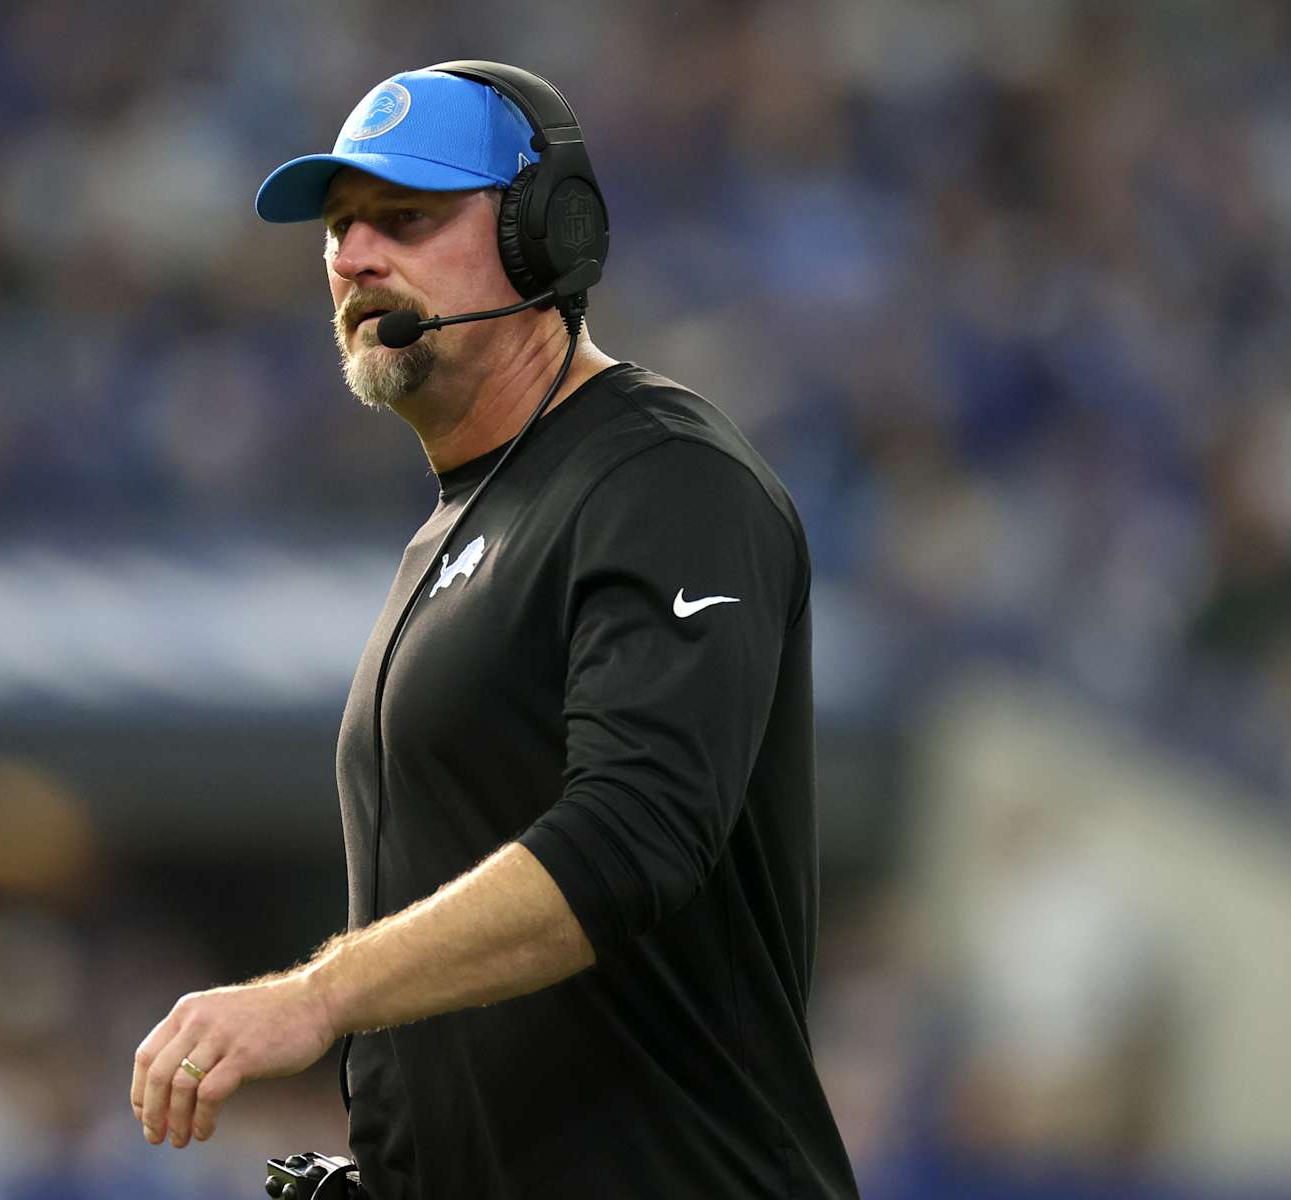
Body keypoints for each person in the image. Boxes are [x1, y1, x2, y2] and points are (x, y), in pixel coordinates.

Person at [130, 62, 859, 1199]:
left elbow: (632, 837)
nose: (357, 257)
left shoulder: (664, 478)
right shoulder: (460, 525)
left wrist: (316, 996)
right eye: (338, 227)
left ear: (544, 235)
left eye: (407, 218)